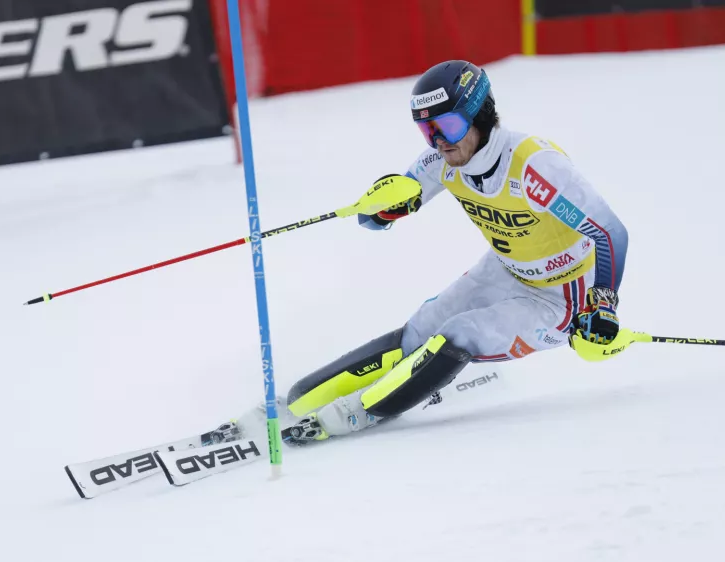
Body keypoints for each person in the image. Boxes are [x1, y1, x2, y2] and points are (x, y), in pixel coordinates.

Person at [210, 60, 629, 446]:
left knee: (459, 332)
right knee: (417, 332)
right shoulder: (443, 160)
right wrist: (383, 206)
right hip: (504, 271)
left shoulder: (533, 165)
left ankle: (356, 413)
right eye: (427, 131)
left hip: (561, 297)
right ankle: (295, 403)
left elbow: (610, 233)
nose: (439, 141)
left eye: (445, 126)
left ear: (479, 115)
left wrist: (603, 305)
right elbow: (375, 218)